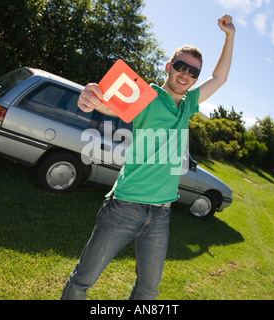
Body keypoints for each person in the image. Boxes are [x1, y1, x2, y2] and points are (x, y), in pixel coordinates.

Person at [60, 14, 235, 300]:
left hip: (161, 214)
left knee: (148, 291)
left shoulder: (187, 104)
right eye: (181, 66)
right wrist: (92, 96)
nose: (186, 75)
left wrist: (230, 36)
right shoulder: (148, 96)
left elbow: (221, 78)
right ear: (168, 67)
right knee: (83, 279)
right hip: (125, 207)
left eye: (193, 72)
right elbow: (109, 105)